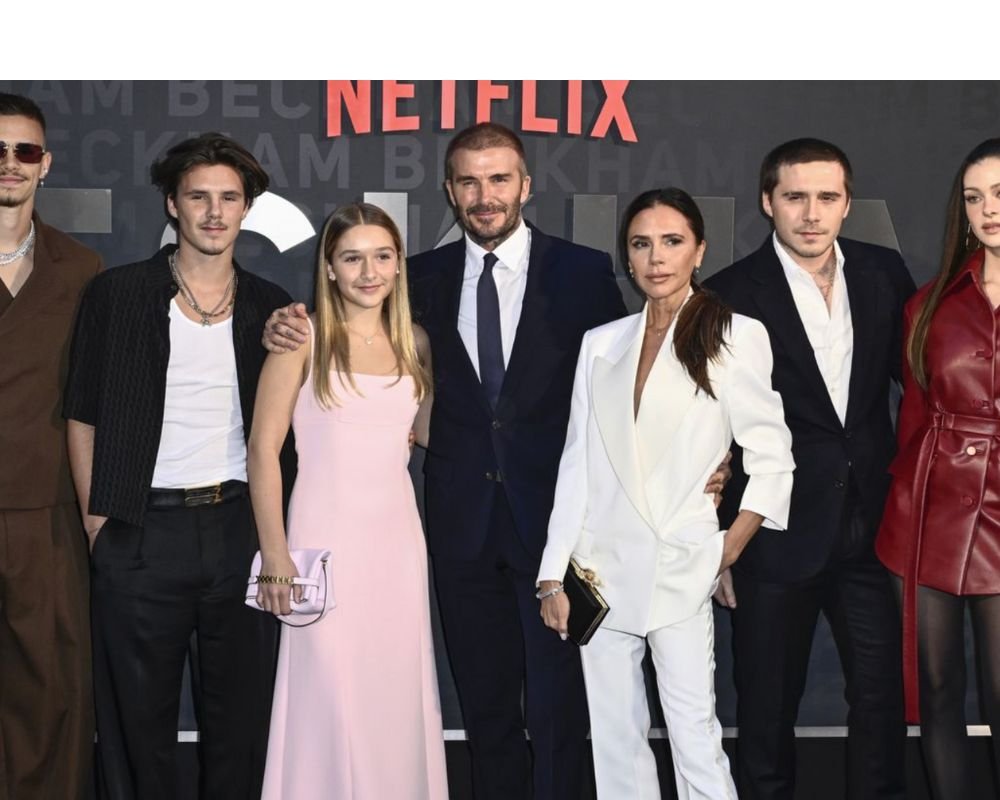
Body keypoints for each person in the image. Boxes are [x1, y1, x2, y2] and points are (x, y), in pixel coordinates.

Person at [263, 123, 729, 800]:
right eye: (470, 182)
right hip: (458, 526)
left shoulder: (582, 272)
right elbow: (363, 352)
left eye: (500, 179)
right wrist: (283, 324)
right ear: (450, 191)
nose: (486, 196)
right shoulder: (416, 278)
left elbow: (627, 391)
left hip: (557, 531)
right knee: (485, 711)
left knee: (559, 710)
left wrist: (698, 465)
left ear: (526, 185)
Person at [537, 187, 794, 800]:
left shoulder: (735, 333)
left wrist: (727, 548)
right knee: (614, 738)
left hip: (680, 563)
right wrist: (551, 575)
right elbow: (579, 463)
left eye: (672, 241)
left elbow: (773, 457)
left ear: (699, 250)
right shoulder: (602, 342)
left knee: (694, 734)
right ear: (626, 257)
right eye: (641, 244)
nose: (656, 257)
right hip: (597, 570)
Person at [63, 133, 292, 800]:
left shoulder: (270, 306)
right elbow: (82, 415)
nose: (214, 212)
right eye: (199, 197)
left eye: (229, 198)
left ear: (246, 208)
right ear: (172, 204)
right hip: (139, 531)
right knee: (137, 730)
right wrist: (98, 525)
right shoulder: (118, 294)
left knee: (240, 726)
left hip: (236, 530)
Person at [705, 138, 916, 800]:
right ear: (768, 202)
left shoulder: (883, 273)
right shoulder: (728, 294)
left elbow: (918, 387)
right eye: (795, 197)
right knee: (766, 709)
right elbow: (706, 432)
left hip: (870, 532)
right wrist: (720, 545)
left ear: (847, 204)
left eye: (827, 197)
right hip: (772, 534)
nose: (811, 213)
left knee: (882, 701)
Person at [248, 202, 447, 799]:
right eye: (352, 258)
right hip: (322, 543)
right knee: (328, 695)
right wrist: (276, 556)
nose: (369, 271)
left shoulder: (414, 342)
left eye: (382, 256)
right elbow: (262, 450)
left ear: (399, 264)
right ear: (329, 267)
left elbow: (427, 433)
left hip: (397, 546)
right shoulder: (301, 338)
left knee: (394, 694)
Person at [876, 137, 1000, 800]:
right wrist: (905, 501)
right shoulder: (929, 303)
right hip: (927, 513)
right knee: (937, 687)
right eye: (974, 198)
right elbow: (915, 412)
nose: (988, 210)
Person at [0, 92, 101, 800]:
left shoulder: (81, 269)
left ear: (46, 164)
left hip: (46, 513)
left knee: (49, 694)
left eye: (24, 150)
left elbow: (95, 404)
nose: (9, 163)